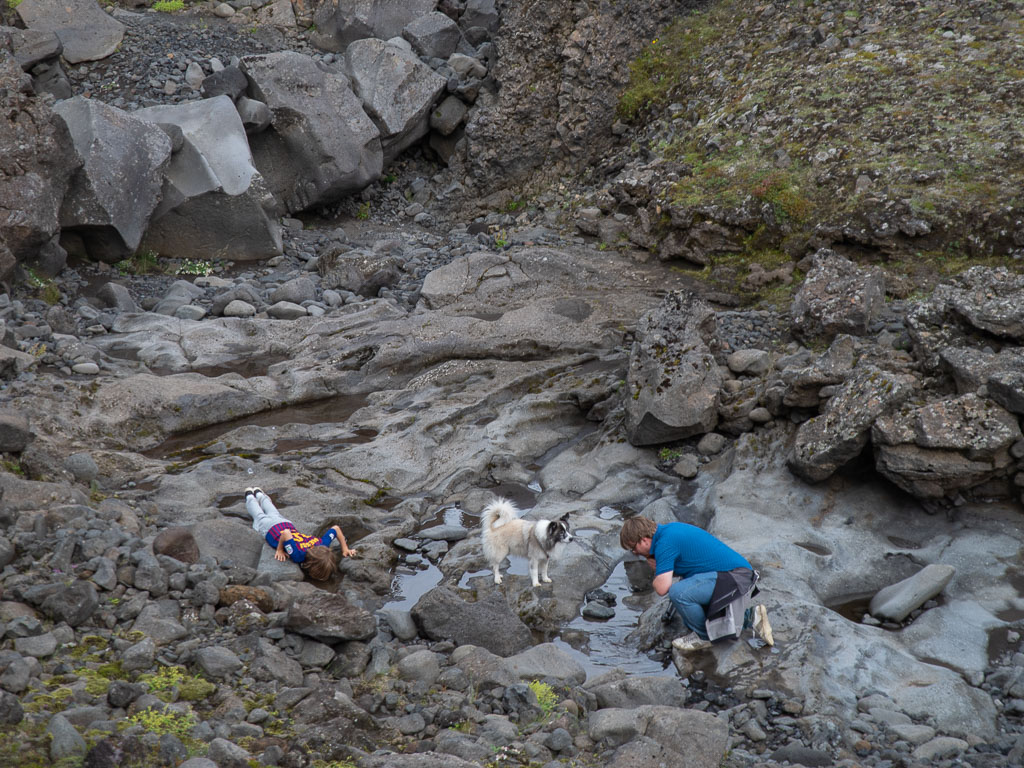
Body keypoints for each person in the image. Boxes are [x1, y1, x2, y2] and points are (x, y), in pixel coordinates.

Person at [620, 516, 772, 651]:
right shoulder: (669, 531)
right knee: (689, 591)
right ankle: (752, 617)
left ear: (644, 540)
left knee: (679, 593)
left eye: (634, 548)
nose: (635, 553)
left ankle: (704, 637)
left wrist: (656, 574)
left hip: (736, 578)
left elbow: (662, 588)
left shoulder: (665, 543)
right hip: (734, 577)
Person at [244, 487, 357, 581]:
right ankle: (249, 496)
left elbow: (336, 529)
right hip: (270, 529)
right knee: (259, 516)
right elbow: (285, 534)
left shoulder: (323, 544)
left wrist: (345, 549)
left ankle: (259, 494)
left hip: (286, 524)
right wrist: (279, 549)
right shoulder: (298, 555)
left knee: (273, 512)